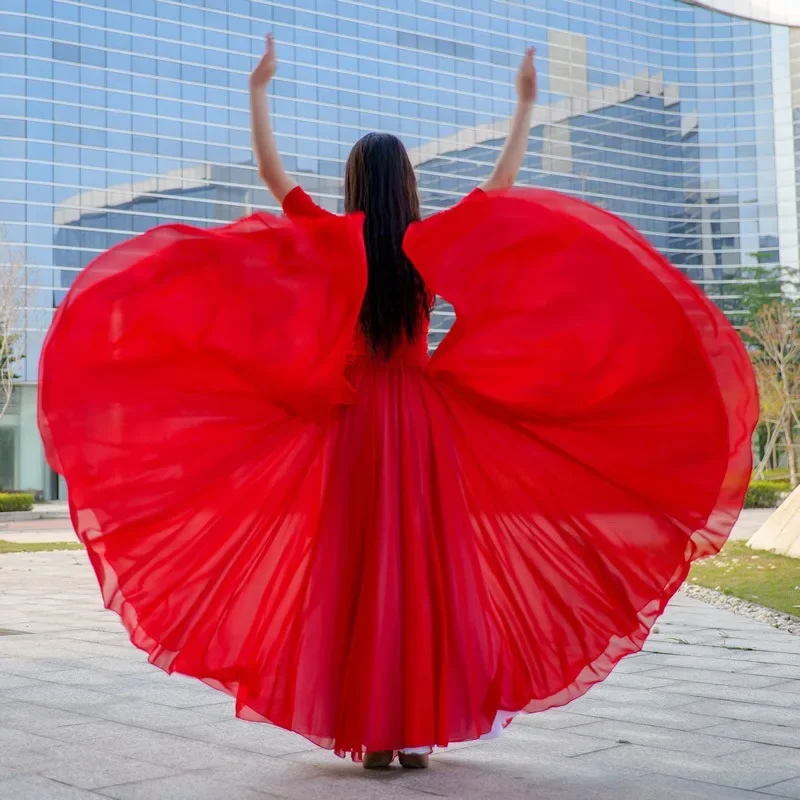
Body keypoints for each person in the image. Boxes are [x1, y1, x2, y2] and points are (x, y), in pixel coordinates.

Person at [39, 35, 758, 772]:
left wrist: (259, 93)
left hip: (356, 421)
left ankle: (374, 732)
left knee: (358, 566)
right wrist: (524, 105)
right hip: (420, 421)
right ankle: (416, 726)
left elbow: (270, 174)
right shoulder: (426, 243)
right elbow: (499, 190)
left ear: (354, 185)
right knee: (420, 566)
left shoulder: (330, 238)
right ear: (407, 184)